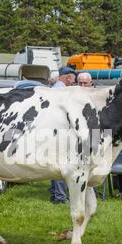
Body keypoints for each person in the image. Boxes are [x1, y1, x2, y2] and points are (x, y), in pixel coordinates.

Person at [49, 67, 77, 204]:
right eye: (73, 80)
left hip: (51, 131)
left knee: (55, 163)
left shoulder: (53, 89)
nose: (73, 83)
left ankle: (55, 194)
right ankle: (60, 197)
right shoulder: (63, 91)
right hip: (60, 131)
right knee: (61, 164)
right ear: (68, 78)